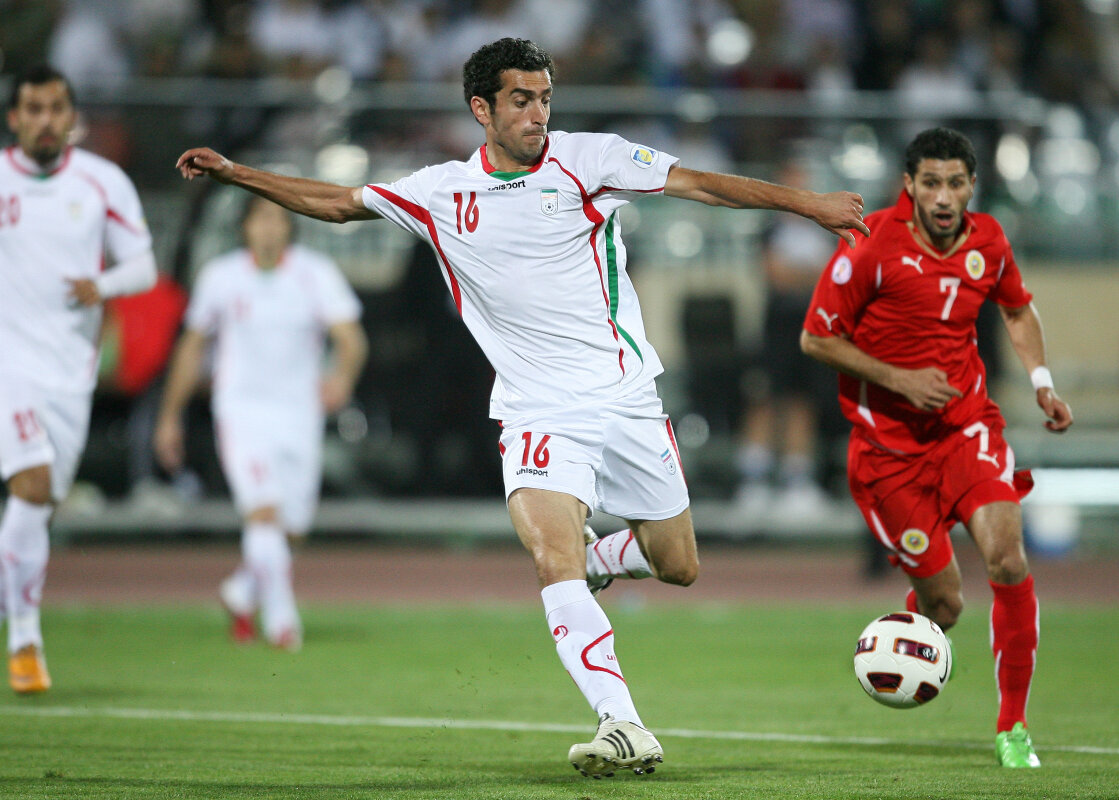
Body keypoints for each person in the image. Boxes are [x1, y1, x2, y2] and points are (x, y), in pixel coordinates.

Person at [173, 36, 867, 778]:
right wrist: (237, 174)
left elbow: (700, 185)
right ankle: (621, 722)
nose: (538, 114)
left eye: (544, 99)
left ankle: (597, 561)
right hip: (537, 410)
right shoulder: (441, 193)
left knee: (679, 564)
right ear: (482, 108)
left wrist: (807, 204)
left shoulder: (590, 159)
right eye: (521, 100)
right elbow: (340, 204)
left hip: (626, 396)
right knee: (550, 558)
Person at [800, 128, 1073, 769]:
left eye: (955, 183)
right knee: (944, 605)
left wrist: (1042, 381)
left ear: (972, 185)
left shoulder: (989, 240)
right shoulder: (871, 244)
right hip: (887, 453)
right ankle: (903, 639)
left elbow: (1017, 310)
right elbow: (816, 338)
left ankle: (1013, 727)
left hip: (966, 429)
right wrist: (899, 380)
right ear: (910, 186)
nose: (944, 197)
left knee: (1008, 559)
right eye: (931, 183)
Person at [0, 65, 157, 693]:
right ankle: (26, 641)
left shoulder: (101, 181)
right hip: (9, 364)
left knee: (38, 505)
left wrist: (103, 284)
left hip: (70, 373)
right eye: (34, 109)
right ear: (15, 118)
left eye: (56, 108)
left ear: (71, 117)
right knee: (33, 484)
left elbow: (143, 267)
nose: (46, 120)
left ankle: (16, 618)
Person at [154, 196, 367, 651]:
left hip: (300, 413)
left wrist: (342, 376)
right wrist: (170, 416)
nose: (269, 228)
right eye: (260, 219)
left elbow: (350, 336)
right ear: (245, 227)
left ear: (291, 227)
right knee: (263, 512)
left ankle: (242, 591)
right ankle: (282, 621)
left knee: (291, 529)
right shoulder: (221, 277)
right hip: (242, 412)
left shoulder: (315, 273)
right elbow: (192, 347)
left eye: (278, 220)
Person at [735, 155, 839, 518]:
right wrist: (808, 274)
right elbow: (776, 276)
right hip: (776, 326)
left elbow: (831, 276)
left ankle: (797, 480)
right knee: (763, 398)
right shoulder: (770, 229)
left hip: (810, 327)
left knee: (802, 401)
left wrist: (801, 275)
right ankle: (754, 479)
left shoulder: (825, 230)